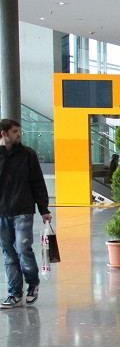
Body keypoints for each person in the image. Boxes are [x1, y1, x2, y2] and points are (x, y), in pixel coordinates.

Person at [0, 119, 52, 309]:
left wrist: (44, 209)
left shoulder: (28, 155)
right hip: (2, 212)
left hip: (23, 210)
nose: (19, 134)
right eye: (14, 131)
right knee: (9, 253)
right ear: (3, 134)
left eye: (19, 131)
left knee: (23, 249)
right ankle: (14, 294)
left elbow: (37, 182)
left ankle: (33, 283)